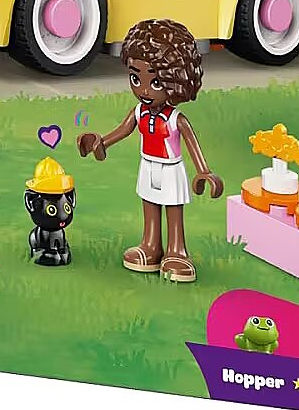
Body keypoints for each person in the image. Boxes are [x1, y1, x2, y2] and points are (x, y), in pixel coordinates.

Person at [77, 18, 222, 283]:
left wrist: (204, 171)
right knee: (150, 204)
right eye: (136, 78)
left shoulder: (175, 119)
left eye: (155, 82)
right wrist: (100, 142)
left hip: (170, 168)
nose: (143, 90)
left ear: (176, 79)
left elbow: (191, 143)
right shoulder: (139, 111)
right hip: (148, 164)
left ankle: (177, 250)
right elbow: (122, 131)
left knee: (173, 208)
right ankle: (151, 245)